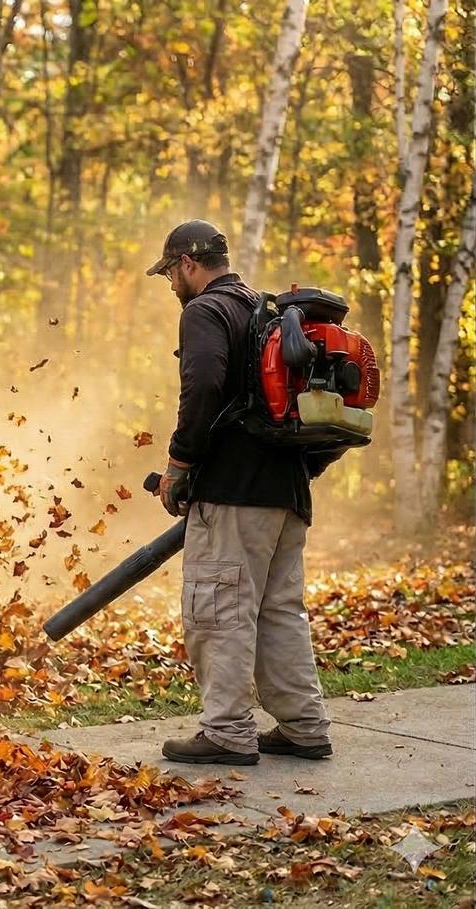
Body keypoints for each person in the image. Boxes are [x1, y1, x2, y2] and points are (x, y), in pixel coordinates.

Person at [146, 219, 336, 766]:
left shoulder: (205, 311)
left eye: (170, 275)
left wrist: (180, 463)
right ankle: (303, 726)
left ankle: (227, 731)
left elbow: (203, 383)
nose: (171, 286)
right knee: (279, 610)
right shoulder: (268, 312)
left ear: (186, 263)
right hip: (287, 492)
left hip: (233, 493)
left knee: (218, 607)